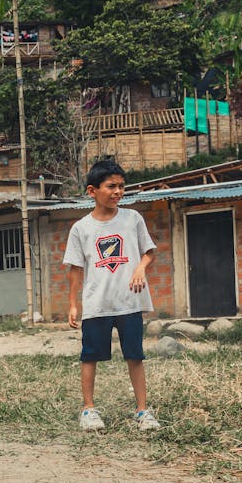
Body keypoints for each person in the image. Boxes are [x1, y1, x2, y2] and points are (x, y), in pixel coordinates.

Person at [63, 160, 160, 432]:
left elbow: (149, 251)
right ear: (92, 191)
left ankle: (142, 411)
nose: (118, 192)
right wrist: (72, 304)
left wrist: (140, 268)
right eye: (111, 186)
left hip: (129, 301)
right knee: (89, 356)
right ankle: (89, 410)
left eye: (121, 186)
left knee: (135, 356)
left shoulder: (132, 219)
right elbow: (75, 269)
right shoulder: (81, 228)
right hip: (97, 303)